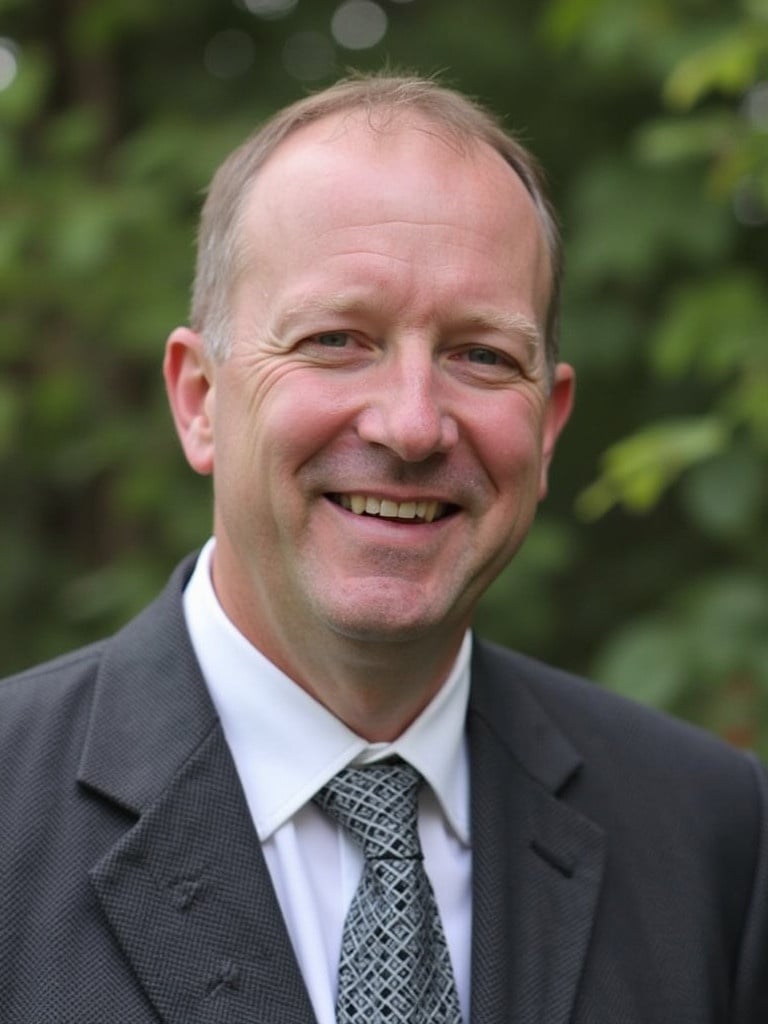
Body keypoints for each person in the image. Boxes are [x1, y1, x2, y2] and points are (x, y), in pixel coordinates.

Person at [1, 73, 766, 1024]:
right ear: (200, 399)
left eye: (482, 355)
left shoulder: (712, 836)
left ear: (548, 426)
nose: (412, 425)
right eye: (336, 340)